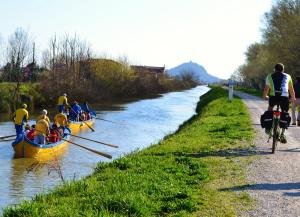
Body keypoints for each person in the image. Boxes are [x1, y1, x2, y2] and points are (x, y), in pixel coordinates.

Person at [263, 63, 296, 143]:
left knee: (270, 108)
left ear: (274, 69)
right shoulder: (288, 76)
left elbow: (266, 88)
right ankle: (282, 134)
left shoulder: (269, 76)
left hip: (273, 96)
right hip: (284, 97)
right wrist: (293, 98)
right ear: (283, 70)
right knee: (285, 113)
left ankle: (268, 127)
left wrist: (265, 96)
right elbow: (291, 89)